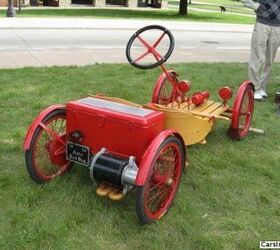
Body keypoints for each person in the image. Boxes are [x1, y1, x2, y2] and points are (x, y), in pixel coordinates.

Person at [242, 0, 280, 101]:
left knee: (269, 61)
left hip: (278, 27)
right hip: (262, 25)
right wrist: (256, 7)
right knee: (257, 58)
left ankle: (262, 88)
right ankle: (254, 89)